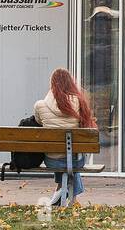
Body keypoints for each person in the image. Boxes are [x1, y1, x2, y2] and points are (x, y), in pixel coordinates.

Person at [34, 68, 96, 206]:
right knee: (71, 159)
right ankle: (66, 194)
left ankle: (61, 191)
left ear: (52, 84)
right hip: (74, 159)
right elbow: (86, 127)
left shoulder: (40, 105)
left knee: (63, 157)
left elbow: (38, 122)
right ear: (70, 83)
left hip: (51, 160)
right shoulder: (80, 103)